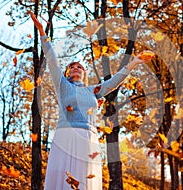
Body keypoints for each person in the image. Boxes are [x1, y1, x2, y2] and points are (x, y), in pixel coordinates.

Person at [30, 12, 154, 190]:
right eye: (72, 67)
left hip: (89, 137)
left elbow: (113, 82)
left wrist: (134, 62)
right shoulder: (63, 85)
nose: (76, 68)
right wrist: (42, 32)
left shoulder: (93, 91)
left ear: (85, 73)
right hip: (66, 135)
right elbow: (52, 60)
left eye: (79, 67)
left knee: (83, 182)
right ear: (67, 73)